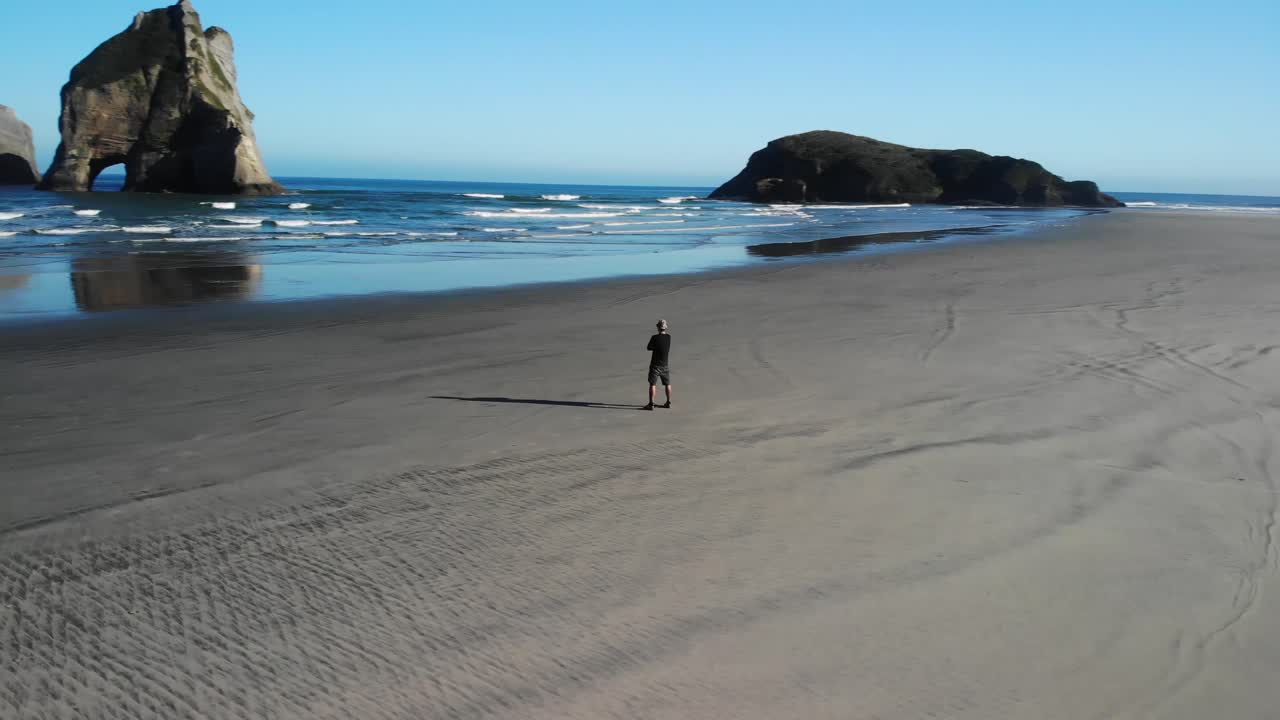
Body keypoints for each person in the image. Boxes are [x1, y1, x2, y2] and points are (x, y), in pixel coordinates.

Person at [645, 319, 672, 411]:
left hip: (655, 365)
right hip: (665, 365)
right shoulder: (669, 337)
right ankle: (668, 402)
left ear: (658, 327)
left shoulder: (654, 338)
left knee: (652, 384)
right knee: (667, 384)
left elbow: (649, 347)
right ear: (665, 328)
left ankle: (651, 404)